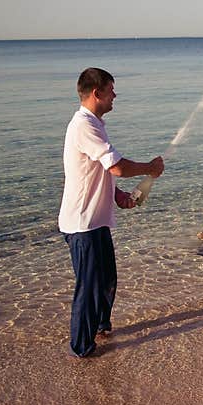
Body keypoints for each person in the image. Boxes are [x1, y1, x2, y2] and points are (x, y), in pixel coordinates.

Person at [58, 67, 164, 358]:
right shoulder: (84, 125)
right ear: (97, 93)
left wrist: (117, 195)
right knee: (89, 287)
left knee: (106, 280)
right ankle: (82, 348)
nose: (115, 95)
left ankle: (101, 328)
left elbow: (98, 170)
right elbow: (116, 166)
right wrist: (148, 169)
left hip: (96, 220)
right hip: (82, 223)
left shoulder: (94, 123)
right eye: (111, 89)